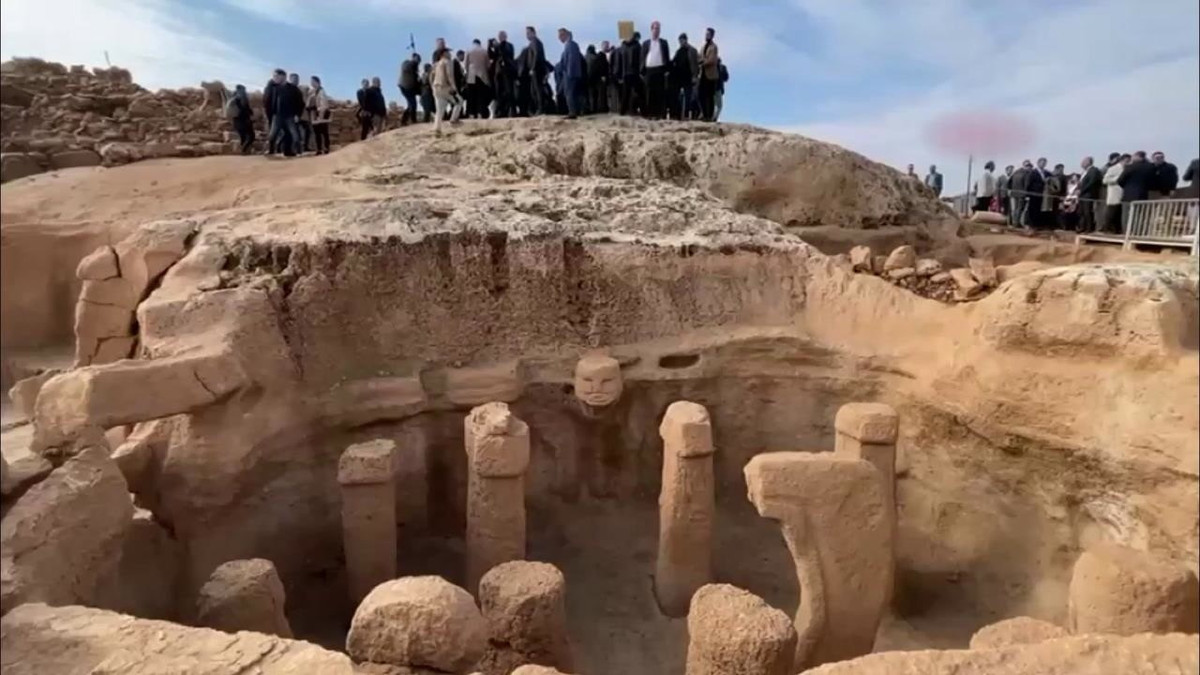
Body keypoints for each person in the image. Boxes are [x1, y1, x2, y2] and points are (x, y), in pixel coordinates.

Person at [268, 70, 303, 157]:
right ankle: (271, 151)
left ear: (283, 76)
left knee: (294, 135)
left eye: (276, 76)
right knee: (272, 135)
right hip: (277, 115)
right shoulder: (273, 88)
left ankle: (292, 151)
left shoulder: (293, 89)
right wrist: (270, 113)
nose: (274, 78)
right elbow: (268, 101)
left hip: (289, 116)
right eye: (274, 76)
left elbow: (300, 103)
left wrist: (297, 115)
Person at [641, 21, 670, 120]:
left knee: (660, 93)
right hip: (649, 70)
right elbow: (642, 57)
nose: (657, 31)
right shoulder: (646, 43)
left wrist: (667, 70)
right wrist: (642, 70)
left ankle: (660, 114)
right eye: (655, 28)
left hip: (660, 69)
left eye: (658, 29)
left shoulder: (663, 42)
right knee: (649, 93)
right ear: (651, 29)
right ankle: (649, 114)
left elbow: (667, 56)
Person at [431, 48, 462, 133]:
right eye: (448, 52)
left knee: (439, 109)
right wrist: (454, 87)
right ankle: (453, 119)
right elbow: (449, 75)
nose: (450, 54)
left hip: (436, 87)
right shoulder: (447, 62)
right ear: (444, 53)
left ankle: (436, 128)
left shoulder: (436, 64)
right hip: (445, 86)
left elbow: (432, 76)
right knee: (459, 101)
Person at [672, 33, 700, 120]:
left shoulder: (692, 50)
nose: (681, 42)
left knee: (688, 97)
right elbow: (674, 62)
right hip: (678, 77)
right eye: (679, 41)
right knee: (677, 96)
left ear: (685, 40)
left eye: (682, 40)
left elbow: (696, 64)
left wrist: (695, 76)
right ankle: (678, 115)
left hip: (688, 77)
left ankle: (687, 115)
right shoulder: (678, 51)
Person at [465, 39, 492, 119]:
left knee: (471, 96)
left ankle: (471, 114)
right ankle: (480, 113)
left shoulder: (468, 50)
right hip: (482, 75)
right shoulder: (484, 51)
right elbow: (488, 65)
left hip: (471, 74)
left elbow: (466, 64)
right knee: (481, 95)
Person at [1102, 153, 1129, 233]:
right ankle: (1107, 229)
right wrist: (1118, 179)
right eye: (1126, 161)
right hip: (1114, 193)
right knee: (1111, 213)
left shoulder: (1128, 169)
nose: (1128, 163)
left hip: (1124, 193)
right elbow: (1105, 180)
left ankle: (1117, 230)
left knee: (1119, 214)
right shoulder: (1113, 169)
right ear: (1122, 161)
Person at [493, 31, 517, 118]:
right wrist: (491, 46)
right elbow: (492, 56)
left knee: (509, 91)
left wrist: (499, 46)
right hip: (499, 72)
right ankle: (500, 111)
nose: (501, 37)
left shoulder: (509, 46)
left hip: (507, 71)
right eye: (500, 36)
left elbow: (508, 55)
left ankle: (512, 111)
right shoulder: (497, 46)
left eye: (502, 36)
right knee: (499, 92)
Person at [1076, 156, 1104, 232]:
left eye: (1083, 161)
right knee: (1081, 212)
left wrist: (1082, 190)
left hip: (1088, 194)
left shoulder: (1093, 170)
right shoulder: (1084, 172)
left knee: (1087, 212)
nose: (1082, 163)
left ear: (1088, 162)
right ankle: (1082, 227)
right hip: (1082, 194)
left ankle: (1089, 228)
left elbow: (1091, 183)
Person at [618, 31, 643, 116]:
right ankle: (623, 112)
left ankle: (642, 112)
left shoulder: (632, 46)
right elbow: (620, 61)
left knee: (636, 93)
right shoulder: (626, 46)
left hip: (632, 73)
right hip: (629, 73)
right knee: (628, 94)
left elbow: (640, 59)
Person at [226, 84, 255, 155]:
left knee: (243, 137)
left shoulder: (233, 97)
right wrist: (250, 113)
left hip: (236, 120)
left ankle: (243, 151)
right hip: (244, 119)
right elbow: (245, 108)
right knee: (251, 136)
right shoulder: (242, 97)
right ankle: (243, 150)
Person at [525, 27, 548, 115]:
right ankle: (539, 108)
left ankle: (540, 109)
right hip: (536, 69)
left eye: (528, 33)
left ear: (533, 33)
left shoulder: (535, 42)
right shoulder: (534, 42)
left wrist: (532, 68)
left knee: (537, 90)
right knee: (535, 90)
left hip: (537, 70)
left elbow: (536, 55)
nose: (527, 35)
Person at [698, 28, 719, 121]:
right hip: (702, 74)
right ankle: (704, 113)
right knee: (700, 94)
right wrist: (700, 61)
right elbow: (699, 57)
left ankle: (709, 116)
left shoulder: (713, 47)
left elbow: (712, 60)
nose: (706, 36)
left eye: (708, 34)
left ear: (712, 35)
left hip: (710, 75)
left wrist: (703, 62)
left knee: (709, 96)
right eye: (706, 34)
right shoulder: (703, 47)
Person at [262, 69, 284, 155]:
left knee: (282, 132)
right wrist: (267, 112)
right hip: (272, 113)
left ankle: (277, 147)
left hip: (280, 113)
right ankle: (272, 149)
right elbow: (266, 100)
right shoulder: (270, 86)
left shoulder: (281, 87)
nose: (276, 78)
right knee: (272, 132)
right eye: (275, 76)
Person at [308, 76, 331, 155]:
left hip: (322, 112)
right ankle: (319, 149)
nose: (311, 83)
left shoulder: (321, 91)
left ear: (317, 82)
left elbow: (324, 105)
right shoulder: (314, 92)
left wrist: (321, 116)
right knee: (317, 132)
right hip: (316, 112)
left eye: (312, 81)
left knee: (324, 131)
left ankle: (326, 148)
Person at [398, 53, 421, 126]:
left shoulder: (415, 69)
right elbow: (406, 68)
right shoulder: (406, 63)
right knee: (412, 104)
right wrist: (414, 63)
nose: (418, 62)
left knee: (411, 104)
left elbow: (416, 80)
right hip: (405, 87)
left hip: (411, 88)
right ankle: (412, 120)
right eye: (417, 59)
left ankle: (404, 120)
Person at [291, 74, 312, 153]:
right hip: (293, 115)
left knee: (307, 130)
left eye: (297, 79)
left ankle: (305, 146)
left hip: (301, 114)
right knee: (295, 133)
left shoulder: (300, 89)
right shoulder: (288, 89)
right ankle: (297, 149)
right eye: (294, 79)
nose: (296, 81)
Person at [585, 44, 608, 114]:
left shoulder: (584, 57)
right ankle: (598, 108)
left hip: (587, 79)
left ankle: (591, 109)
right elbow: (599, 68)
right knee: (596, 94)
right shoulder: (595, 57)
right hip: (595, 78)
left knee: (590, 94)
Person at [1043, 163, 1067, 229]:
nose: (1062, 170)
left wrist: (1063, 196)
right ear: (1057, 169)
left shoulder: (1063, 177)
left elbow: (1064, 188)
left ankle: (1059, 225)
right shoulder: (1051, 176)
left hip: (1058, 196)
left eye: (1062, 169)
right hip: (1051, 196)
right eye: (1061, 169)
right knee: (1050, 211)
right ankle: (1051, 224)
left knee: (1058, 211)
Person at [1026, 158, 1048, 228]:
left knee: (1039, 209)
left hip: (1042, 194)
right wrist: (1027, 194)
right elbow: (1029, 183)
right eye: (1042, 162)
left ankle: (1038, 224)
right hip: (1034, 194)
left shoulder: (1046, 173)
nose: (1043, 164)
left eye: (1045, 163)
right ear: (1038, 163)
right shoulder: (1033, 172)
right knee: (1033, 209)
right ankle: (1032, 224)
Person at [1010, 160, 1032, 229]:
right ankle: (1017, 223)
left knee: (1015, 208)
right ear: (1027, 166)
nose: (1030, 168)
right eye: (1029, 167)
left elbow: (1009, 182)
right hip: (1022, 194)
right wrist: (1026, 195)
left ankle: (1014, 222)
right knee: (1020, 209)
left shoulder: (1016, 172)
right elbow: (1027, 185)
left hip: (1014, 193)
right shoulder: (1027, 173)